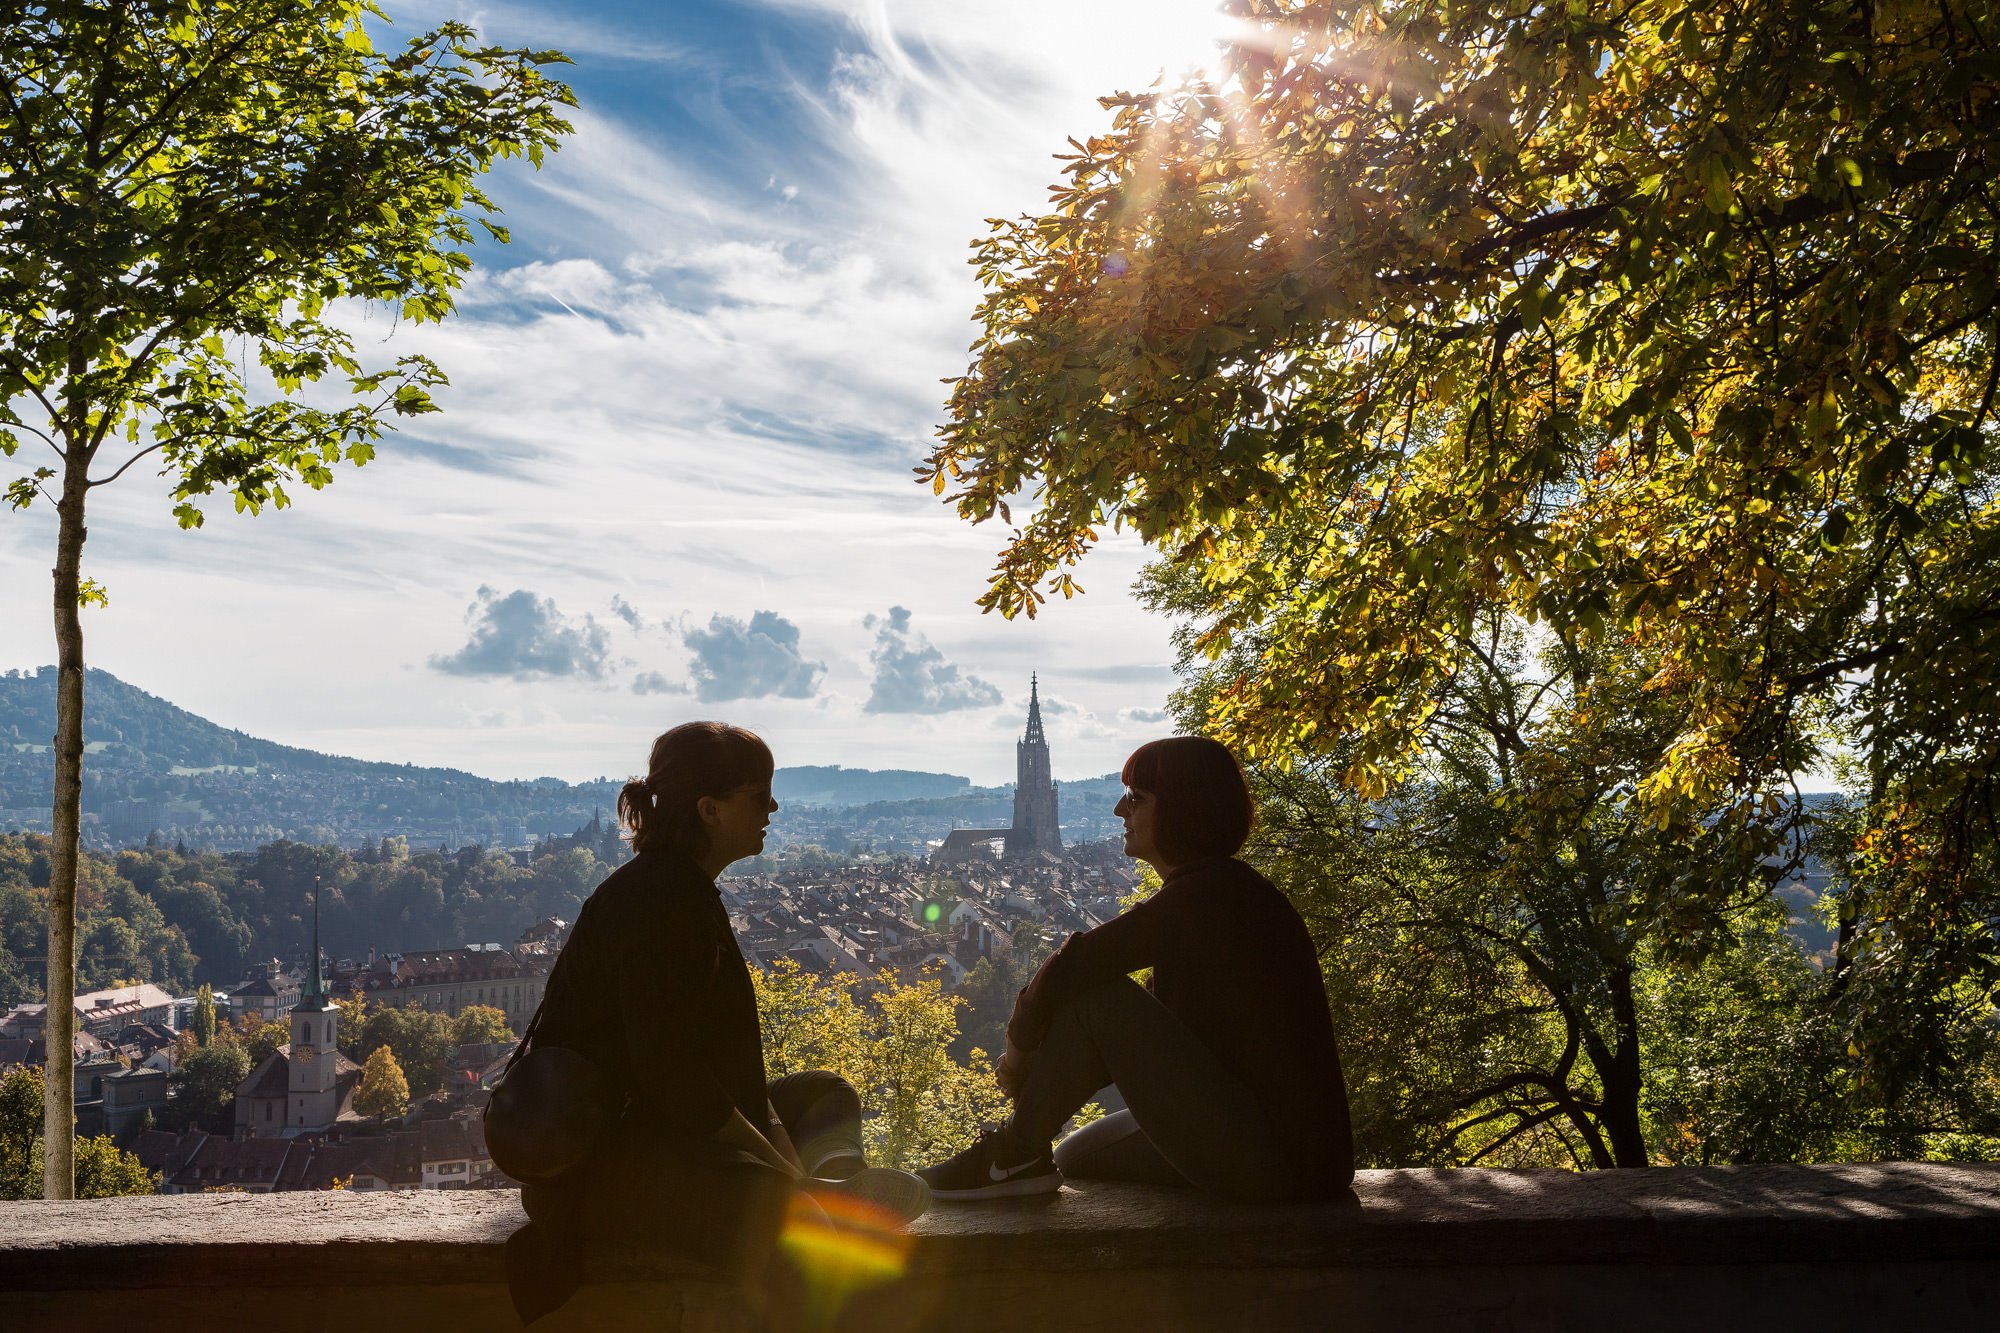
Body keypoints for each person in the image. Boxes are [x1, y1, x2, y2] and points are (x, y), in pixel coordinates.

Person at [505, 721, 926, 1325]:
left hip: (662, 1127)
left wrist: (780, 1149)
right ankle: (821, 1199)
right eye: (760, 795)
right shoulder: (659, 904)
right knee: (792, 1226)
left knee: (826, 1094)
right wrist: (780, 1169)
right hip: (611, 1158)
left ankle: (830, 1185)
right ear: (710, 809)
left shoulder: (680, 890)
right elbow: (679, 1083)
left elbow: (727, 1074)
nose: (774, 808)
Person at [917, 735, 1353, 1204]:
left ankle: (1013, 1153)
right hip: (1300, 1155)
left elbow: (1076, 965)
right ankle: (1020, 1152)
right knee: (1071, 1158)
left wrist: (1018, 1052)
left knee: (1097, 995)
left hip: (1275, 1159)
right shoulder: (1228, 892)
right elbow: (1121, 1044)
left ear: (1184, 810)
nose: (1119, 812)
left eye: (1136, 799)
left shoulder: (1207, 899)